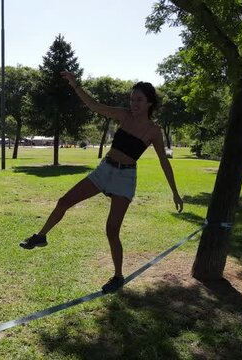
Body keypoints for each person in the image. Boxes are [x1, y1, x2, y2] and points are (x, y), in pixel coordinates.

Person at [20, 71, 184, 294]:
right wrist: (75, 84)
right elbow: (95, 106)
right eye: (132, 98)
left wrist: (174, 192)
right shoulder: (124, 115)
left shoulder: (154, 131)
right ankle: (41, 236)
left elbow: (164, 162)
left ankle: (118, 276)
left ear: (149, 103)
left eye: (139, 100)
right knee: (64, 201)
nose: (134, 103)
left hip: (125, 178)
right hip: (104, 170)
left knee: (111, 230)